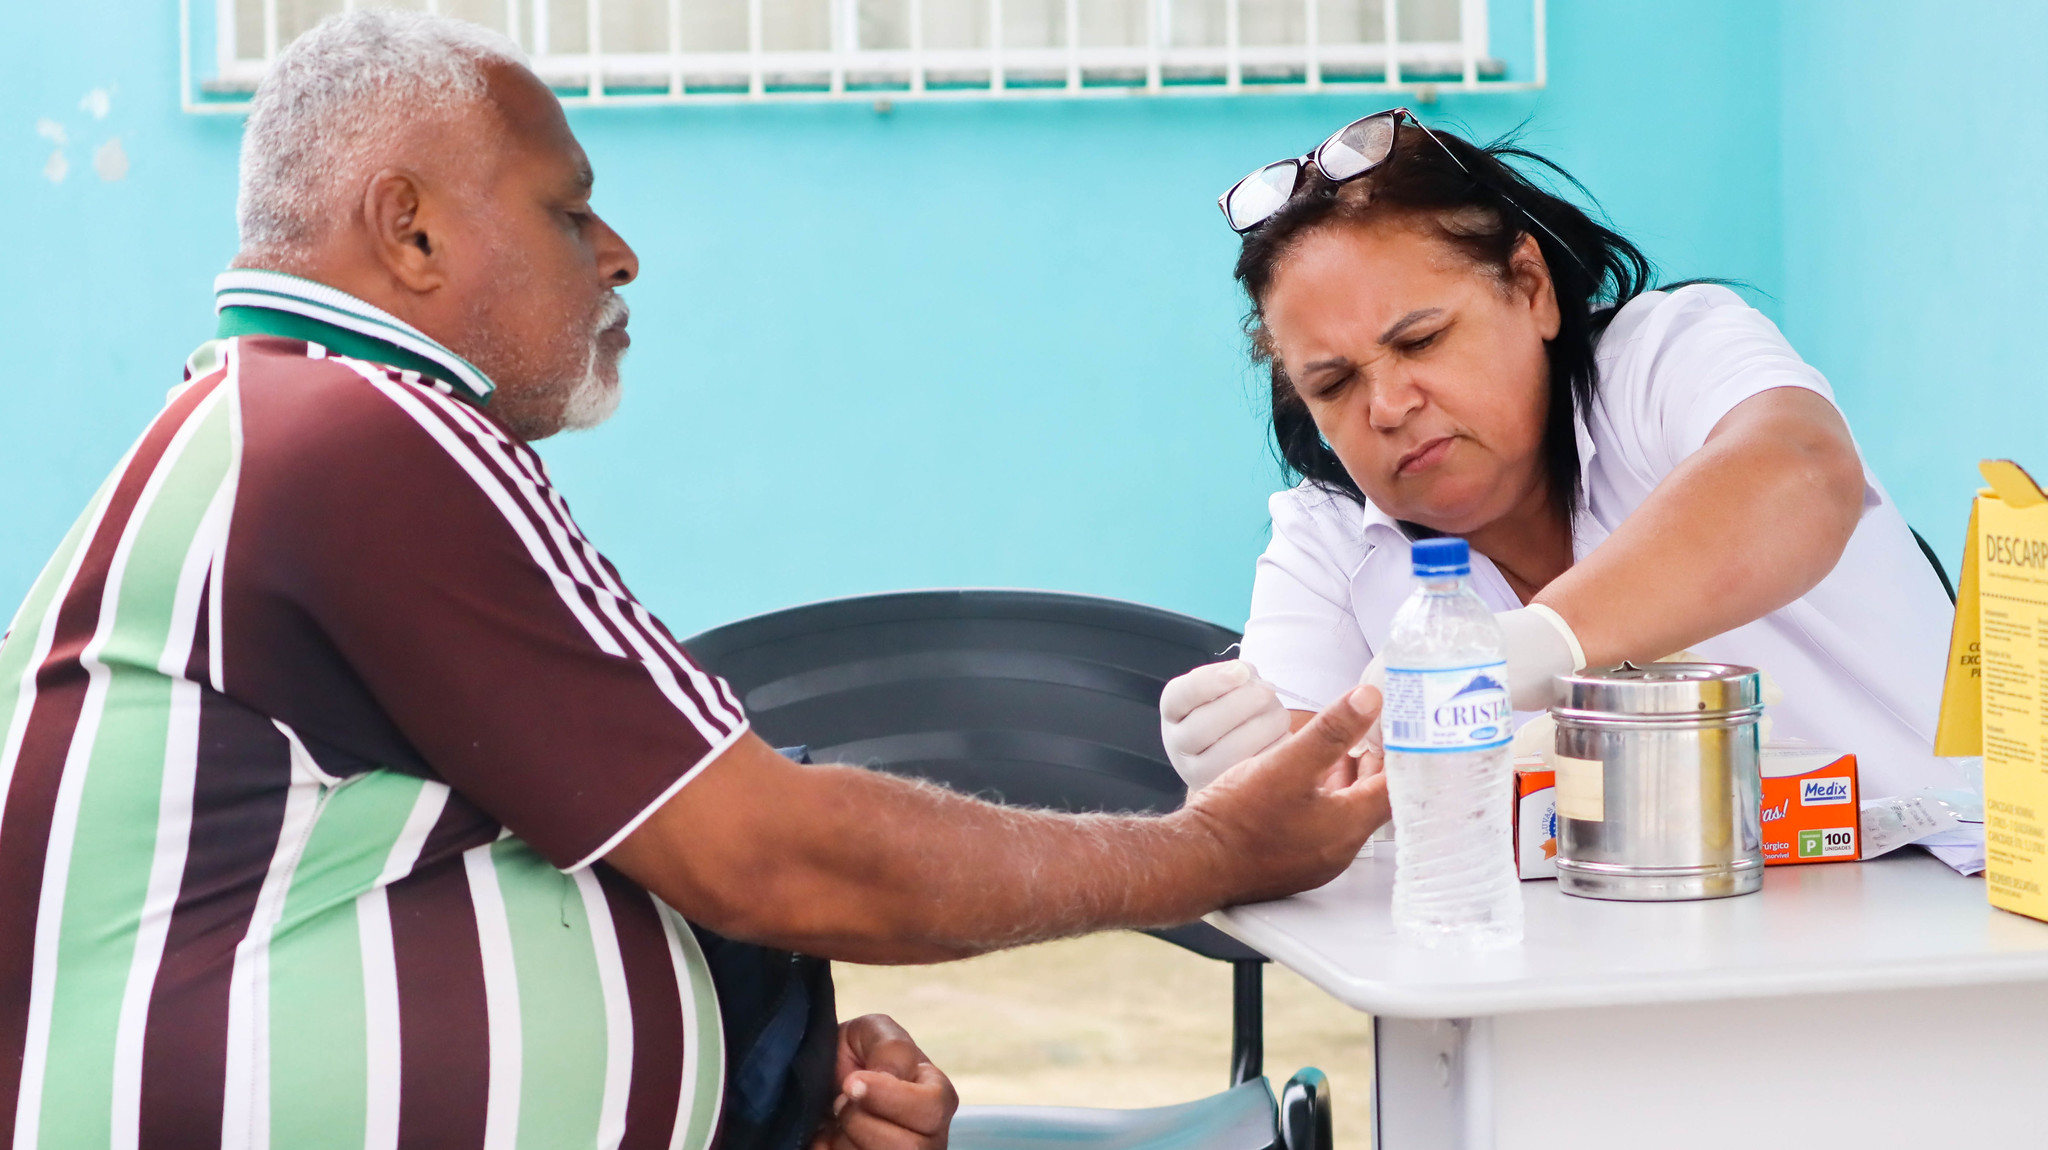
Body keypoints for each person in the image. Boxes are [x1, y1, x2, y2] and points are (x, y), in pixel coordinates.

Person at [0, 14, 1390, 1150]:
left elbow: (524, 861)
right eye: (569, 210)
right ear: (410, 234)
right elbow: (772, 852)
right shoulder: (364, 431)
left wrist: (764, 1081)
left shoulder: (282, 426)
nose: (618, 255)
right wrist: (1217, 851)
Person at [1162, 108, 1963, 806]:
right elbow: (1305, 805)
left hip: (1960, 921)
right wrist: (1244, 780)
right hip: (1614, 969)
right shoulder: (1331, 536)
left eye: (1422, 339)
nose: (1389, 406)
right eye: (1333, 383)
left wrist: (1540, 646)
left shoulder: (1661, 359)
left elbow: (1805, 473)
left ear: (1532, 287)